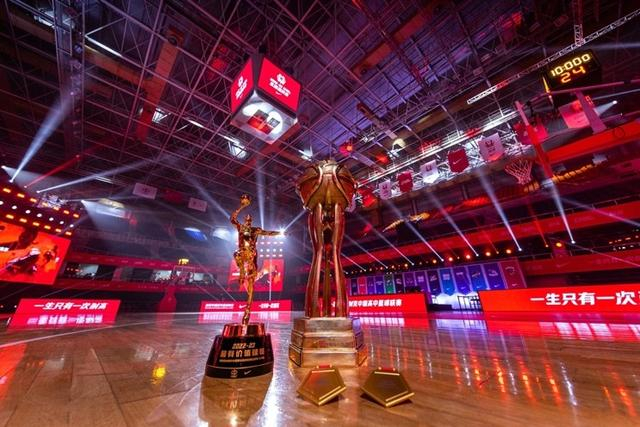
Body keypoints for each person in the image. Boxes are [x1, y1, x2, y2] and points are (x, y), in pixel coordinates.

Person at [230, 194, 280, 325]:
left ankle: (248, 310)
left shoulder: (255, 230)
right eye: (246, 219)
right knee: (236, 253)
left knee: (251, 284)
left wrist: (280, 233)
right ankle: (242, 271)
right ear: (244, 220)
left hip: (252, 255)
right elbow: (232, 219)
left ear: (251, 221)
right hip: (243, 252)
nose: (248, 220)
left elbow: (268, 233)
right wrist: (241, 206)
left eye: (249, 219)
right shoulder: (240, 228)